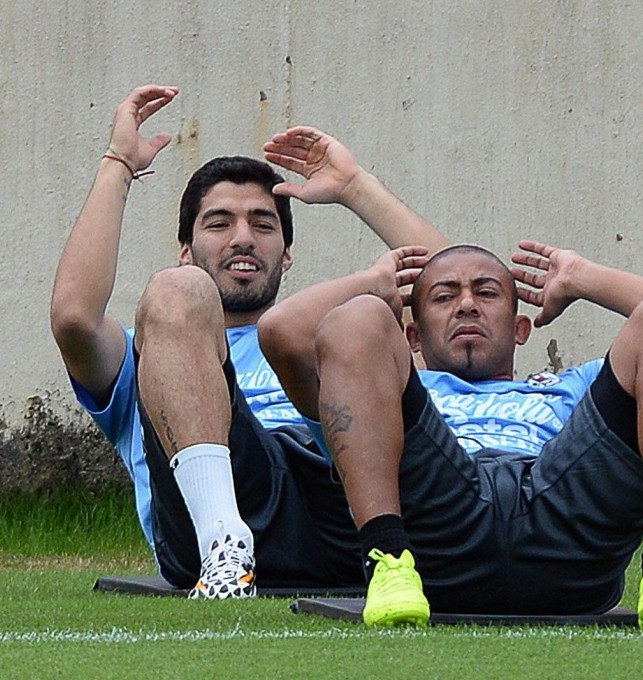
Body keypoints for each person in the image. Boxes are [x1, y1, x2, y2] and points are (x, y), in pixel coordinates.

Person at [50, 84, 447, 599]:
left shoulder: (334, 334)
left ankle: (384, 555)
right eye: (219, 223)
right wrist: (119, 162)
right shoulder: (149, 355)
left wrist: (354, 186)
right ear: (186, 250)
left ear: (287, 255)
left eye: (262, 224)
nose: (242, 237)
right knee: (175, 294)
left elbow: (461, 284)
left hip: (349, 501)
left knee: (366, 319)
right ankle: (224, 548)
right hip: (222, 516)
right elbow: (74, 319)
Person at [258, 241, 643, 630]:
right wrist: (375, 284)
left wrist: (583, 278)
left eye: (486, 294)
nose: (466, 304)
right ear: (413, 339)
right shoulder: (380, 384)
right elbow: (283, 331)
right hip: (437, 534)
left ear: (521, 326)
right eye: (444, 297)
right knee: (356, 316)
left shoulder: (568, 384)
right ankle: (388, 562)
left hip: (565, 517)